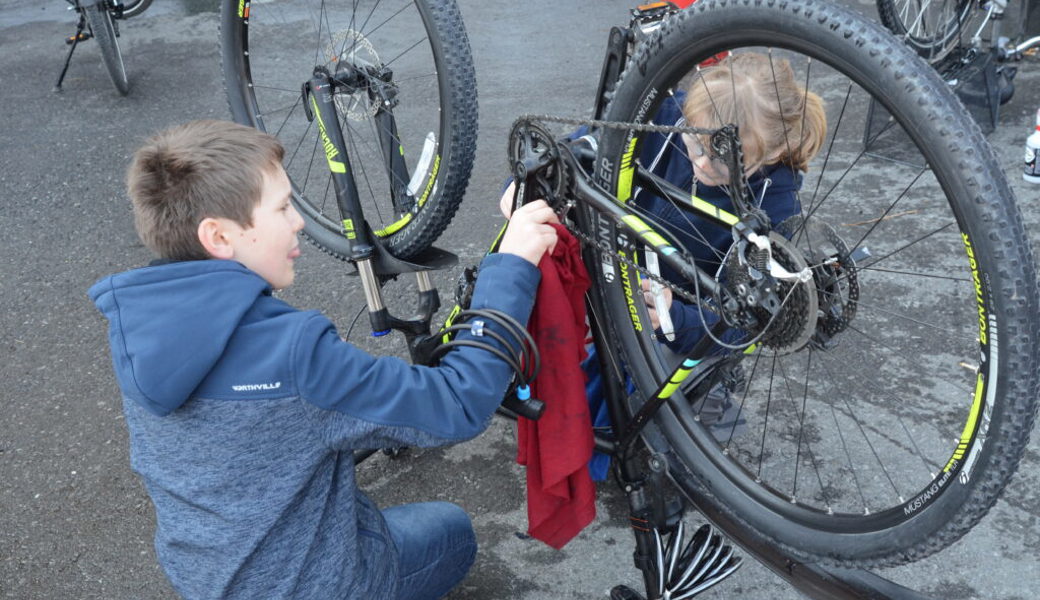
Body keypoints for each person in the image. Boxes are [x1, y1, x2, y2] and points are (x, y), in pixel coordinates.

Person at [89, 119, 559, 600]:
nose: (298, 221)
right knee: (452, 530)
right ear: (219, 236)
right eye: (281, 207)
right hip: (318, 587)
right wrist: (512, 265)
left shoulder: (139, 327)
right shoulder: (292, 353)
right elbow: (459, 404)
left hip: (206, 579)